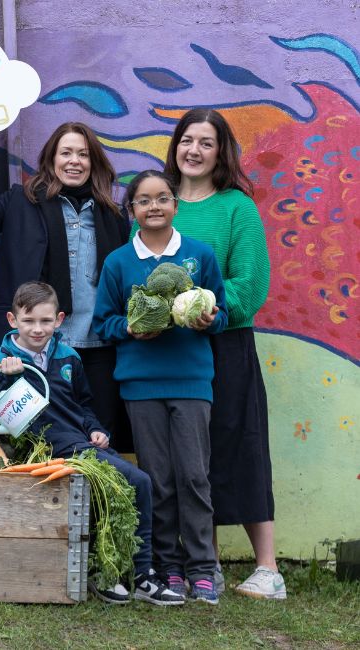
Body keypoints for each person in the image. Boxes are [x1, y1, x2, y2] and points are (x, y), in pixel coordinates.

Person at [0, 281, 184, 606]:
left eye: (46, 321)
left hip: (82, 444)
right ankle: (114, 573)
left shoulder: (69, 358)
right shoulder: (4, 358)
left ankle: (138, 574)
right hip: (48, 449)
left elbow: (84, 405)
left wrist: (96, 430)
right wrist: (7, 375)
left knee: (135, 483)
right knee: (138, 480)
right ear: (12, 320)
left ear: (60, 319)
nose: (37, 329)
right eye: (29, 321)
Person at [0, 123, 133, 451]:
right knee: (25, 443)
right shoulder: (21, 201)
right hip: (36, 349)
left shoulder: (113, 215)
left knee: (99, 441)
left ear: (94, 161)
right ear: (51, 159)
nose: (75, 161)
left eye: (83, 154)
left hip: (99, 345)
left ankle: (96, 504)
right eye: (66, 153)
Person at [160, 108, 284, 600]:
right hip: (170, 350)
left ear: (220, 152)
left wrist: (207, 308)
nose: (193, 150)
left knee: (240, 445)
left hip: (224, 343)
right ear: (175, 146)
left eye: (205, 143)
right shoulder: (161, 200)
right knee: (191, 454)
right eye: (186, 140)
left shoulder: (238, 208)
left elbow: (251, 285)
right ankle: (204, 563)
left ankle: (268, 569)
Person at [93, 170, 228, 604]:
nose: (154, 207)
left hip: (191, 381)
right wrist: (132, 329)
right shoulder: (118, 262)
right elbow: (104, 323)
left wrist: (209, 319)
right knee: (159, 481)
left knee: (194, 476)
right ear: (130, 210)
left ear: (175, 205)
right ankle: (167, 567)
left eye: (163, 198)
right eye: (144, 200)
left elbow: (221, 314)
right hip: (140, 384)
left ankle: (204, 568)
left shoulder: (199, 255)